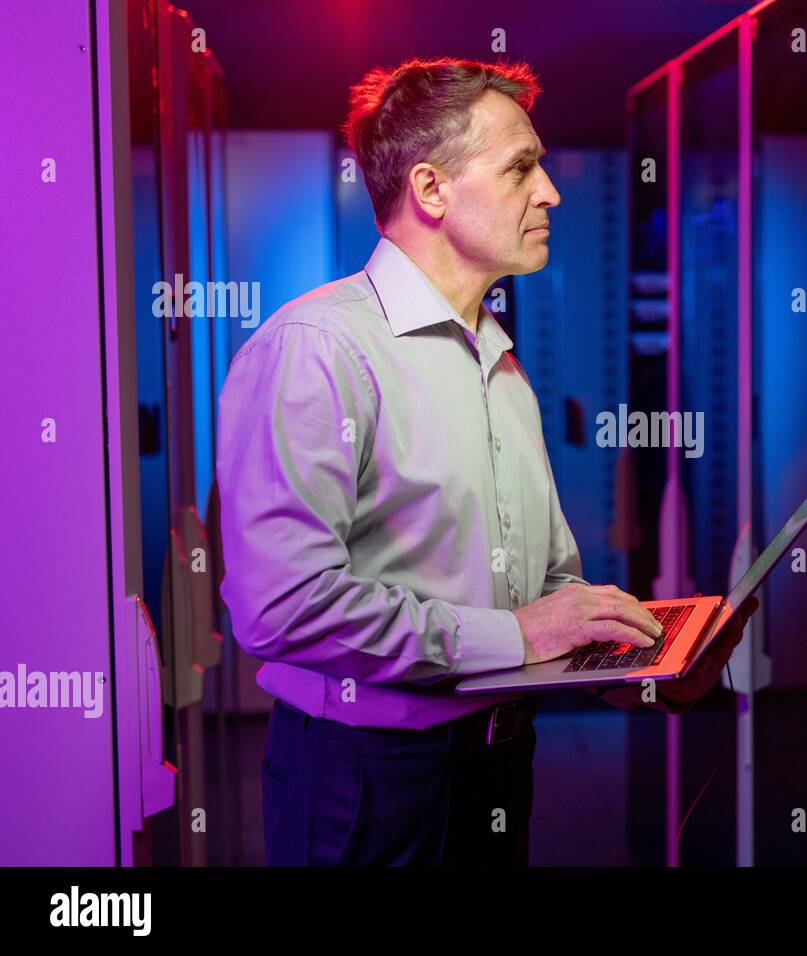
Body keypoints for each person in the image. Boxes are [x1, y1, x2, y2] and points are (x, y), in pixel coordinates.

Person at [216, 58, 754, 867]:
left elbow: (544, 586)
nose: (551, 193)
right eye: (520, 167)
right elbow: (281, 606)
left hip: (499, 764)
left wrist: (628, 659)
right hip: (369, 783)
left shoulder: (499, 362)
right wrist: (517, 634)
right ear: (431, 191)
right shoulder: (318, 350)